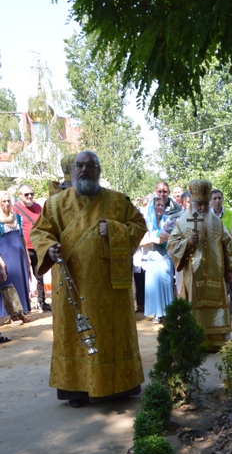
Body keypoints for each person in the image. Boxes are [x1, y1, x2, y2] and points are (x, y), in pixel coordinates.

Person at [31, 150, 147, 408]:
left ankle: (118, 387)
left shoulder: (118, 202)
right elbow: (40, 232)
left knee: (110, 336)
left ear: (99, 171)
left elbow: (139, 225)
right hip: (71, 285)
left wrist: (117, 230)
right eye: (79, 166)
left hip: (109, 288)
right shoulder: (56, 204)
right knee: (74, 335)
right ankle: (76, 390)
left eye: (91, 166)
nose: (84, 170)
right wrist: (49, 248)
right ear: (73, 172)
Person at [167, 179, 232, 352]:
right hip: (193, 276)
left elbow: (228, 244)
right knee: (195, 306)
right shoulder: (183, 222)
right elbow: (171, 245)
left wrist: (229, 270)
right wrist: (187, 243)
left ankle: (217, 341)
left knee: (216, 304)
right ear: (192, 203)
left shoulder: (216, 222)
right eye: (198, 204)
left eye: (204, 204)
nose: (201, 208)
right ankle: (196, 340)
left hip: (216, 273)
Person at [14, 184, 52, 312]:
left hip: (36, 247)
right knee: (23, 277)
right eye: (26, 194)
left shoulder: (37, 208)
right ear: (19, 195)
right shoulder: (15, 209)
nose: (30, 196)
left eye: (32, 194)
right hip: (21, 249)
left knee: (39, 274)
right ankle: (23, 306)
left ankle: (42, 303)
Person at [139, 197, 174, 324]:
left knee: (167, 285)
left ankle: (168, 312)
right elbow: (139, 242)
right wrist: (153, 240)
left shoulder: (168, 221)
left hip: (165, 258)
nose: (160, 207)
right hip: (152, 259)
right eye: (157, 205)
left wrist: (167, 238)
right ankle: (157, 314)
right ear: (152, 208)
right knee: (154, 287)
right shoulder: (146, 223)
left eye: (162, 205)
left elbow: (175, 238)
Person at [0, 191, 31, 324]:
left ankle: (21, 313)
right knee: (8, 285)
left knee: (21, 283)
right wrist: (0, 261)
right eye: (3, 201)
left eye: (8, 201)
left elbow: (22, 238)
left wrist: (27, 256)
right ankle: (12, 315)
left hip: (19, 255)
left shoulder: (17, 217)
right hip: (6, 256)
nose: (6, 203)